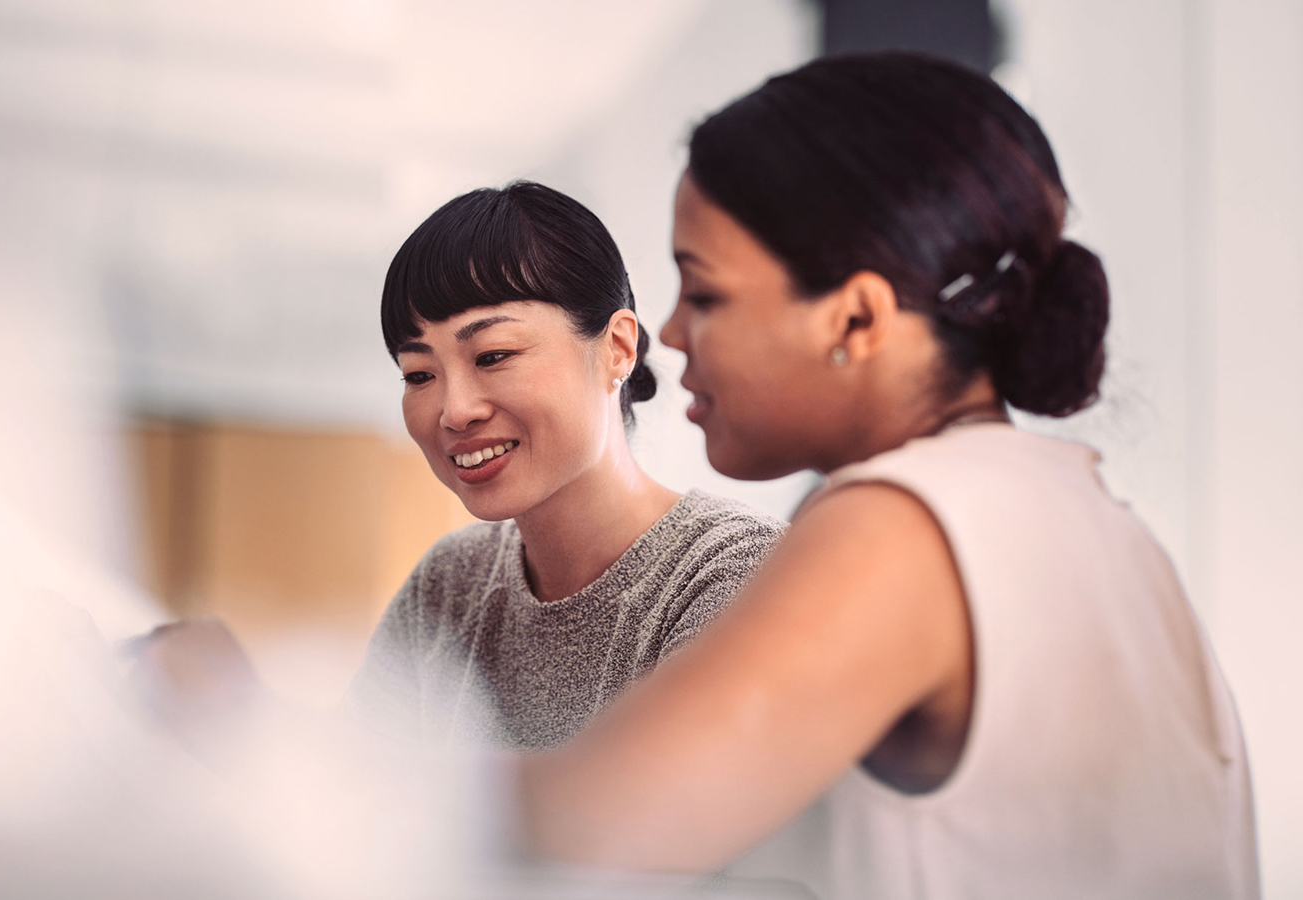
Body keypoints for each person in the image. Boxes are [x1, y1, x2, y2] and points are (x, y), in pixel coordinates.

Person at [518, 53, 1258, 900]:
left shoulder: (903, 524)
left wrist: (357, 775)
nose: (673, 333)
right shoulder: (1081, 511)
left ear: (858, 317)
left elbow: (600, 821)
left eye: (706, 294)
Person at [347, 181, 785, 750]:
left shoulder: (734, 576)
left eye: (494, 356)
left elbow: (667, 826)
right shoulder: (448, 584)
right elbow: (348, 806)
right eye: (418, 375)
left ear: (617, 348)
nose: (455, 412)